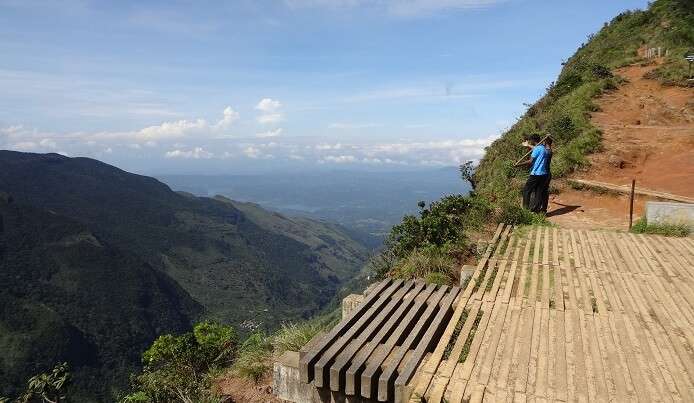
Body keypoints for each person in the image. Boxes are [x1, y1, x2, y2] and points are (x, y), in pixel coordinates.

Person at [517, 134, 550, 212]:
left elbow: (530, 161)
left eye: (530, 140)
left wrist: (518, 164)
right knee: (538, 192)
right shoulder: (544, 148)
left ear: (533, 140)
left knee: (526, 190)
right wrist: (528, 145)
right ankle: (536, 210)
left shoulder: (537, 149)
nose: (530, 141)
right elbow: (536, 148)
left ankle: (525, 210)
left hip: (536, 174)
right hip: (543, 174)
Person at [538, 137, 553, 213]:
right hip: (547, 174)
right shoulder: (548, 150)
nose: (542, 143)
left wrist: (528, 145)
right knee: (544, 192)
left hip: (545, 175)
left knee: (541, 192)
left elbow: (538, 150)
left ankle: (542, 210)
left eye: (543, 142)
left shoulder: (548, 151)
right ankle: (543, 210)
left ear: (545, 143)